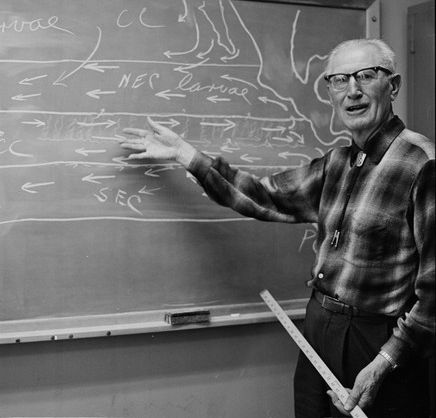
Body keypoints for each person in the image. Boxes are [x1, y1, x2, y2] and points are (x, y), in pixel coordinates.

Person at [120, 38, 435, 417]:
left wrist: (386, 360)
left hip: (378, 342)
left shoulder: (423, 165)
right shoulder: (336, 163)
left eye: (366, 76)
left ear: (393, 86)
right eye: (338, 80)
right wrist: (188, 157)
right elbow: (263, 196)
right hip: (320, 327)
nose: (352, 90)